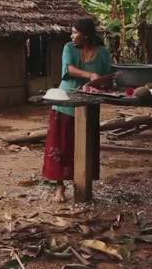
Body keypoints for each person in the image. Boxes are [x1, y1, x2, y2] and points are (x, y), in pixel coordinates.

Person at [43, 18, 112, 202]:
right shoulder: (69, 48)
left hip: (90, 104)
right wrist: (90, 74)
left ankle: (82, 185)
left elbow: (109, 76)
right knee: (61, 146)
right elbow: (70, 69)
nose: (72, 36)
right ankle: (59, 187)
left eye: (75, 32)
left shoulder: (103, 53)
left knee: (86, 146)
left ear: (86, 34)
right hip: (65, 103)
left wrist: (102, 81)